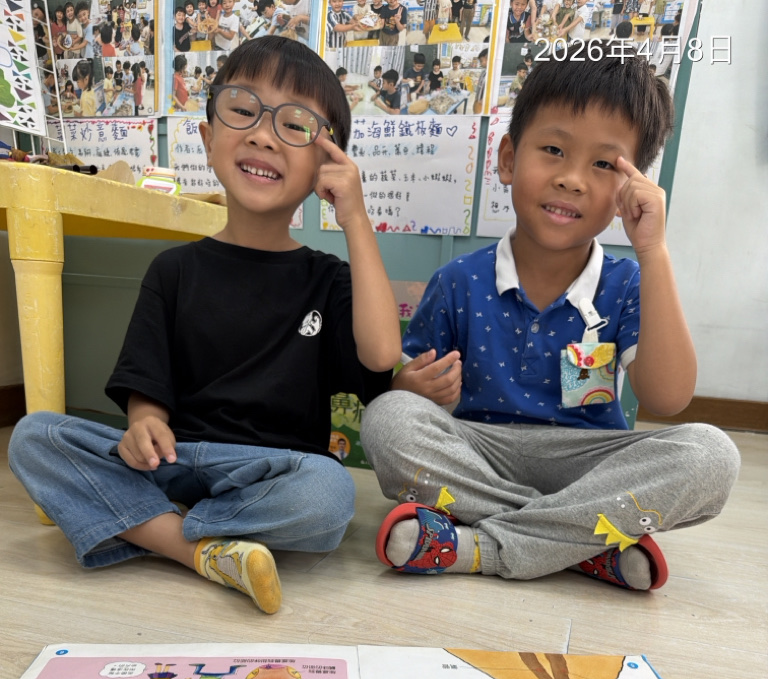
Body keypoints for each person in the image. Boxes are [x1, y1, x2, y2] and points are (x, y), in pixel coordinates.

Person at [9, 38, 400, 617]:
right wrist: (144, 423)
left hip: (271, 473)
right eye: (243, 110)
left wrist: (355, 217)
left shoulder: (329, 278)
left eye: (295, 125)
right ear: (208, 136)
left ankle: (158, 530)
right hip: (171, 463)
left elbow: (381, 354)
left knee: (330, 494)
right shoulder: (173, 269)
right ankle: (202, 549)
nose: (263, 135)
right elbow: (147, 379)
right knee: (34, 437)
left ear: (327, 165)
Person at [360, 43, 740, 592]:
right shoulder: (458, 281)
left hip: (586, 462)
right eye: (554, 150)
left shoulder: (627, 282)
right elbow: (413, 400)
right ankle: (585, 544)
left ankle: (481, 545)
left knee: (711, 456)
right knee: (388, 418)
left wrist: (653, 250)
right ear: (509, 158)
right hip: (480, 451)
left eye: (604, 164)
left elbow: (668, 398)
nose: (572, 179)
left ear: (629, 186)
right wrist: (410, 387)